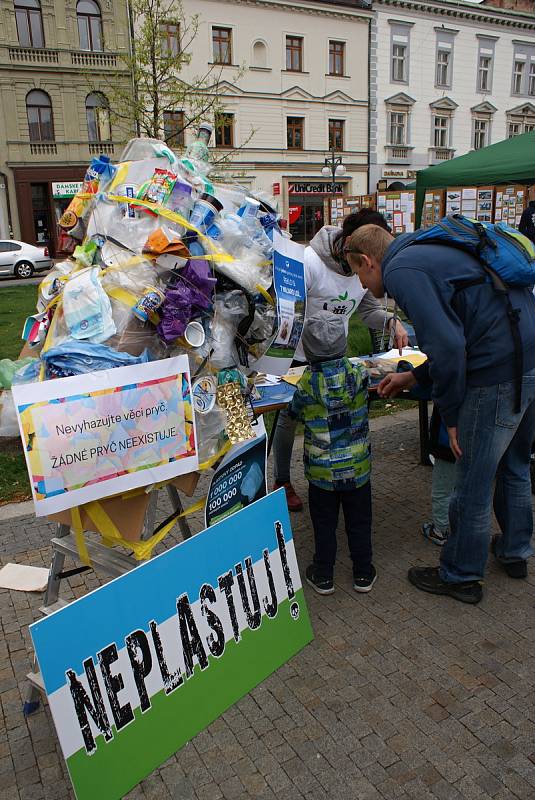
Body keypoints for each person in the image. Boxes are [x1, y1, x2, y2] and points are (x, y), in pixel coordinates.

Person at [344, 223, 535, 604]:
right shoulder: (427, 248)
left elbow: (450, 348)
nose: (364, 287)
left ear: (368, 261)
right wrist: (413, 377)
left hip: (496, 372)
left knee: (473, 482)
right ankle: (515, 552)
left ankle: (462, 575)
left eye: (360, 276)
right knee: (514, 464)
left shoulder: (402, 270)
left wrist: (449, 418)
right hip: (528, 356)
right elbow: (465, 332)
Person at [273, 209, 409, 512]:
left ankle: (332, 474)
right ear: (350, 243)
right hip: (298, 357)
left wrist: (391, 322)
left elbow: (369, 310)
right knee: (288, 417)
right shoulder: (309, 262)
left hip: (334, 355)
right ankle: (282, 480)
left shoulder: (365, 263)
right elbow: (287, 311)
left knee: (332, 414)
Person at [288, 310, 375, 594]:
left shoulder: (306, 384)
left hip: (322, 473)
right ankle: (363, 572)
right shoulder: (359, 375)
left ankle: (323, 573)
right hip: (358, 469)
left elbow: (294, 412)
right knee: (359, 523)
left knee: (324, 525)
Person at [379, 363, 456, 547]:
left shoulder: (446, 366)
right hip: (474, 434)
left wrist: (407, 375)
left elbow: (422, 389)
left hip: (447, 437)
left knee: (442, 489)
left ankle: (440, 530)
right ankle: (463, 526)